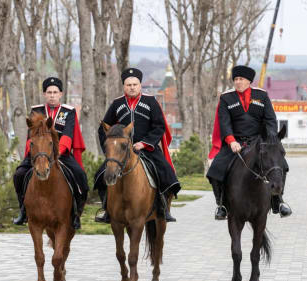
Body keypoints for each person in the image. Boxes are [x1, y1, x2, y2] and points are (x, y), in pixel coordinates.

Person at [94, 67, 181, 223]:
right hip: (121, 153)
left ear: (140, 85)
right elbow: (103, 128)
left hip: (147, 149)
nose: (132, 87)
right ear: (124, 86)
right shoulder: (117, 104)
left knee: (166, 173)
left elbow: (159, 126)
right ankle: (107, 210)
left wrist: (145, 143)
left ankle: (163, 209)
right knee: (100, 175)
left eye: (135, 84)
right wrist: (110, 150)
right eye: (128, 85)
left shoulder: (151, 102)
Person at [207, 65, 292, 220]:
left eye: (241, 79)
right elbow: (224, 122)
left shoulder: (262, 96)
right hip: (235, 143)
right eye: (236, 79)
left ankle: (278, 201)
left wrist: (270, 139)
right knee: (215, 170)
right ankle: (222, 205)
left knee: (282, 165)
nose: (238, 82)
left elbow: (270, 120)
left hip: (259, 142)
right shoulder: (226, 98)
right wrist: (231, 141)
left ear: (248, 81)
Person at [13, 77, 89, 229]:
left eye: (55, 92)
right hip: (38, 153)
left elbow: (68, 134)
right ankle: (23, 210)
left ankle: (76, 214)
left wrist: (58, 151)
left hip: (62, 153)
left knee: (81, 176)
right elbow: (31, 137)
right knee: (19, 175)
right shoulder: (36, 111)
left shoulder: (69, 112)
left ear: (60, 94)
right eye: (49, 92)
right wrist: (35, 153)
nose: (52, 95)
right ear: (44, 94)